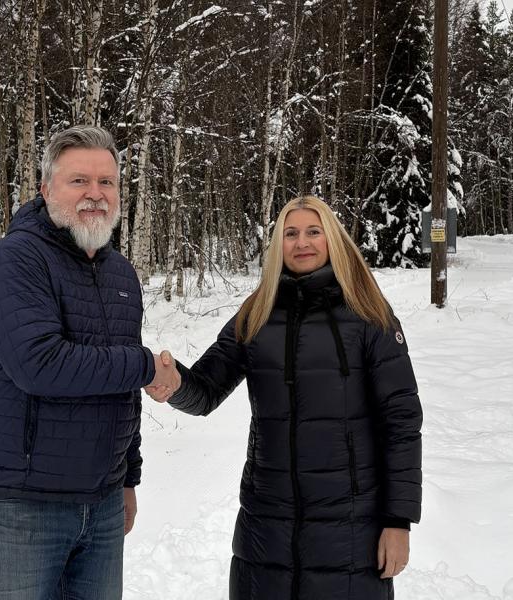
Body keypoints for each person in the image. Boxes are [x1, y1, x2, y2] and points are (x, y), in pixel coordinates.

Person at [147, 195, 423, 600]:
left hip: (350, 531)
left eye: (314, 232)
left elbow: (401, 422)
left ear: (332, 239)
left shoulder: (368, 314)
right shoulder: (256, 313)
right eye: (290, 234)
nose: (301, 242)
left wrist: (398, 522)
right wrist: (173, 384)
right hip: (267, 527)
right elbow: (204, 391)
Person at [0, 125, 180, 599]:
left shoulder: (120, 274)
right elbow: (40, 365)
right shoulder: (16, 261)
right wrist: (147, 366)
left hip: (102, 504)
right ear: (46, 189)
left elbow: (119, 389)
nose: (95, 194)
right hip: (23, 507)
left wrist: (128, 476)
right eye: (78, 181)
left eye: (107, 182)